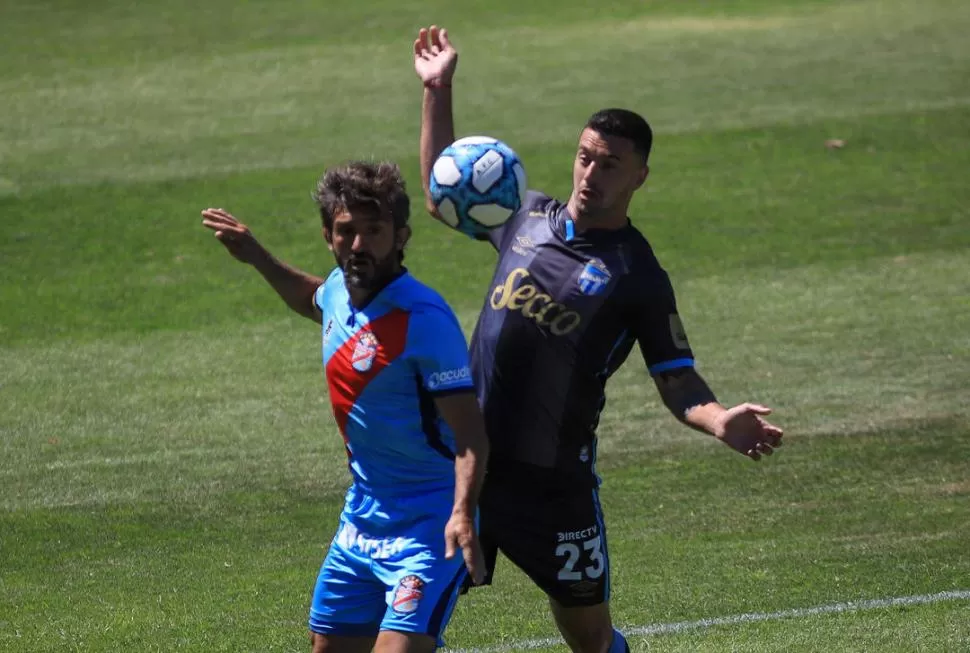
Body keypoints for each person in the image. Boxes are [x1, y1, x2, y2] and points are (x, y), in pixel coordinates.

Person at [414, 26, 784, 653]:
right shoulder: (527, 216)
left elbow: (676, 376)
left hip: (554, 488)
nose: (592, 173)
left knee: (588, 636)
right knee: (411, 618)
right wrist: (438, 89)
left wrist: (719, 419)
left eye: (611, 164)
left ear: (640, 176)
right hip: (464, 466)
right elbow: (442, 193)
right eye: (586, 156)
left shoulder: (636, 275)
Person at [201, 160, 489, 653]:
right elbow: (312, 297)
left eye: (373, 231)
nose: (358, 245)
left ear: (401, 236)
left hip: (428, 527)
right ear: (328, 236)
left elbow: (471, 436)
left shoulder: (423, 320)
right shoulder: (339, 291)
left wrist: (462, 513)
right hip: (361, 522)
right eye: (345, 231)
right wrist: (257, 257)